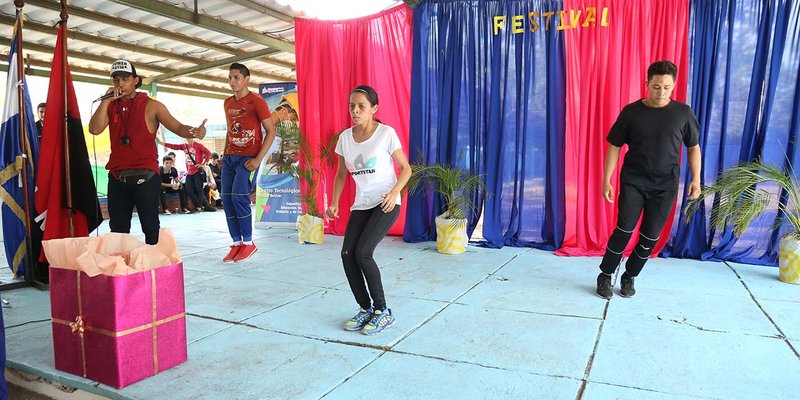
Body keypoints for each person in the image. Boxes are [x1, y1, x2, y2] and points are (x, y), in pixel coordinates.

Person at [596, 60, 702, 299]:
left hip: (665, 186)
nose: (661, 92)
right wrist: (607, 180)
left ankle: (629, 275)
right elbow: (614, 145)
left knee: (650, 237)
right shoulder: (631, 112)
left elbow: (693, 147)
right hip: (634, 181)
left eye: (666, 87)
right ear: (647, 84)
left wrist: (696, 179)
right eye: (656, 86)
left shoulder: (683, 113)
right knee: (624, 230)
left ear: (673, 85)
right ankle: (605, 274)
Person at [88, 59, 206, 244]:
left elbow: (178, 126)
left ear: (136, 80)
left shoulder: (152, 105)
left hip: (146, 177)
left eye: (125, 79)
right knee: (118, 230)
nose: (120, 84)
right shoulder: (110, 105)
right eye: (116, 80)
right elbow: (94, 129)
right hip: (118, 177)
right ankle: (122, 270)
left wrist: (197, 132)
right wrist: (105, 100)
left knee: (151, 227)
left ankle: (155, 270)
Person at [327, 85, 411, 335]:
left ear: (374, 109)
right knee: (347, 254)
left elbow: (406, 169)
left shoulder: (386, 133)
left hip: (385, 202)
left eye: (361, 106)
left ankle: (383, 311)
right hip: (362, 204)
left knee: (363, 253)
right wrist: (333, 202)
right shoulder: (345, 138)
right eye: (352, 105)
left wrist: (395, 192)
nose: (355, 110)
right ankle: (365, 308)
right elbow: (341, 173)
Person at [220, 63, 276, 263]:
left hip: (248, 158)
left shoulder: (256, 101)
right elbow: (229, 131)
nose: (233, 81)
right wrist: (224, 155)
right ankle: (236, 243)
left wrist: (258, 159)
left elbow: (271, 131)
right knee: (226, 199)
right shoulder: (227, 103)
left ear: (246, 79)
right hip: (229, 158)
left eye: (236, 77)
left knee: (239, 198)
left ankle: (249, 243)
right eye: (230, 77)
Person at [158, 137, 216, 213]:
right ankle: (201, 206)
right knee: (188, 189)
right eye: (186, 136)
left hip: (197, 171)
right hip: (189, 172)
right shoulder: (184, 146)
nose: (188, 138)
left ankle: (199, 207)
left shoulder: (198, 146)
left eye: (190, 136)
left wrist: (203, 164)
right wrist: (161, 143)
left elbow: (208, 153)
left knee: (199, 190)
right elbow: (174, 146)